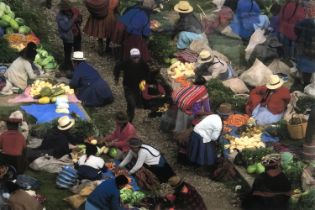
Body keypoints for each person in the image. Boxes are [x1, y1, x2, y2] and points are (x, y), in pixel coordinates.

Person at [114, 48, 150, 122]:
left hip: (138, 86)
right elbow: (117, 67)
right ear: (131, 57)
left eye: (137, 57)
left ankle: (129, 113)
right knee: (132, 103)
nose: (136, 59)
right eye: (134, 57)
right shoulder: (126, 62)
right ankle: (129, 119)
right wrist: (116, 77)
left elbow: (147, 73)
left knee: (133, 101)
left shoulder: (143, 64)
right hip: (128, 86)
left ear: (140, 56)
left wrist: (145, 81)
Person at [56, 0, 82, 72]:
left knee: (78, 52)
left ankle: (79, 68)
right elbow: (66, 28)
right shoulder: (60, 17)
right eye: (67, 9)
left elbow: (79, 22)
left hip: (76, 35)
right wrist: (74, 18)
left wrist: (78, 18)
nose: (69, 10)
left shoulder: (71, 12)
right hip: (67, 38)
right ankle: (68, 69)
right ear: (63, 9)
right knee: (67, 54)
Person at [294, 0, 315, 86]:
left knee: (306, 63)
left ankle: (305, 82)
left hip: (306, 49)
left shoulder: (304, 22)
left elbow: (296, 30)